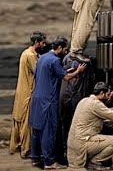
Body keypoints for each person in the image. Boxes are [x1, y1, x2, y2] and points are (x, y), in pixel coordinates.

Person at [31, 36, 83, 169]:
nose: (65, 52)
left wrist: (65, 71)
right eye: (64, 49)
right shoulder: (54, 60)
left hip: (37, 98)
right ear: (59, 48)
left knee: (37, 129)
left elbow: (49, 74)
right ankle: (49, 162)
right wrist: (78, 71)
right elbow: (66, 77)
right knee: (49, 131)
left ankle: (36, 158)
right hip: (48, 101)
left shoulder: (42, 57)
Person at [66, 83, 113, 171]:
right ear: (101, 93)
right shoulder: (96, 104)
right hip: (82, 144)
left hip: (73, 144)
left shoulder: (84, 100)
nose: (109, 97)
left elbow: (105, 111)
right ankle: (94, 163)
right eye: (107, 94)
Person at [9, 31, 45, 158]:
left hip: (22, 90)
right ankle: (26, 150)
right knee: (27, 122)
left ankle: (16, 145)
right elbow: (39, 72)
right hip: (28, 92)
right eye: (42, 42)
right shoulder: (30, 56)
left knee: (19, 119)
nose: (44, 44)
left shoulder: (26, 52)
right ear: (36, 42)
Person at [59, 53, 95, 165]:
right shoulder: (72, 85)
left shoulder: (65, 86)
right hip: (72, 105)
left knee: (68, 128)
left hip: (69, 104)